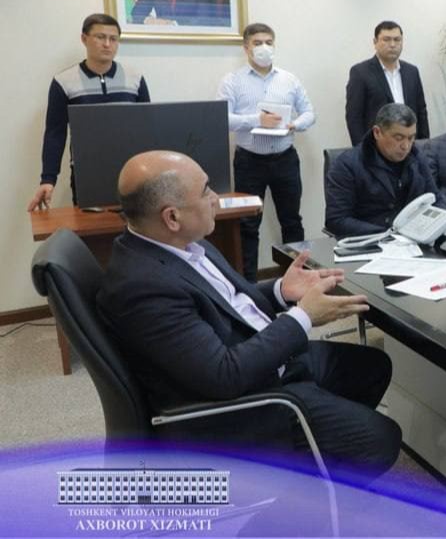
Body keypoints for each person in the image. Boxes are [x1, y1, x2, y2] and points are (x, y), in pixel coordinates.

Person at [97, 151, 401, 479]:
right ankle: (297, 487)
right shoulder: (143, 287)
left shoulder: (182, 243)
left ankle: (317, 449)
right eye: (206, 191)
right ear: (172, 217)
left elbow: (228, 304)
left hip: (263, 359)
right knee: (382, 440)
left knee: (372, 367)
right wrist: (303, 316)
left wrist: (282, 291)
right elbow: (225, 375)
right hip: (239, 405)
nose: (215, 199)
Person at [218, 23, 315, 281]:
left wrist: (295, 124)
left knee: (292, 222)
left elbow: (309, 113)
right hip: (249, 162)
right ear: (246, 47)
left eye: (269, 42)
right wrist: (256, 120)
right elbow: (221, 118)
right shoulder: (232, 81)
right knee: (247, 225)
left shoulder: (289, 79)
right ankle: (248, 285)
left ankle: (296, 282)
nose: (264, 47)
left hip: (285, 159)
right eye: (258, 42)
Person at [28, 13, 150, 211]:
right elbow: (55, 133)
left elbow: (147, 128)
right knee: (90, 228)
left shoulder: (135, 78)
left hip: (132, 171)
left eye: (113, 39)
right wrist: (48, 179)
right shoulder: (64, 82)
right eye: (100, 37)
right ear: (84, 39)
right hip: (86, 173)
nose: (107, 44)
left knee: (136, 224)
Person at [326, 103, 442, 237]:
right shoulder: (347, 165)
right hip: (371, 240)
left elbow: (435, 198)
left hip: (414, 238)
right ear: (377, 133)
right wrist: (388, 234)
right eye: (398, 138)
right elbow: (337, 220)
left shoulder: (416, 156)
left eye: (411, 138)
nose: (406, 146)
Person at [345, 21, 430, 145]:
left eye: (397, 40)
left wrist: (424, 145)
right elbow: (354, 117)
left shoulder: (412, 71)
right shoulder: (360, 72)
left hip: (410, 145)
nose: (392, 44)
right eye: (386, 39)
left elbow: (421, 111)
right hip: (377, 147)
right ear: (375, 42)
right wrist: (363, 150)